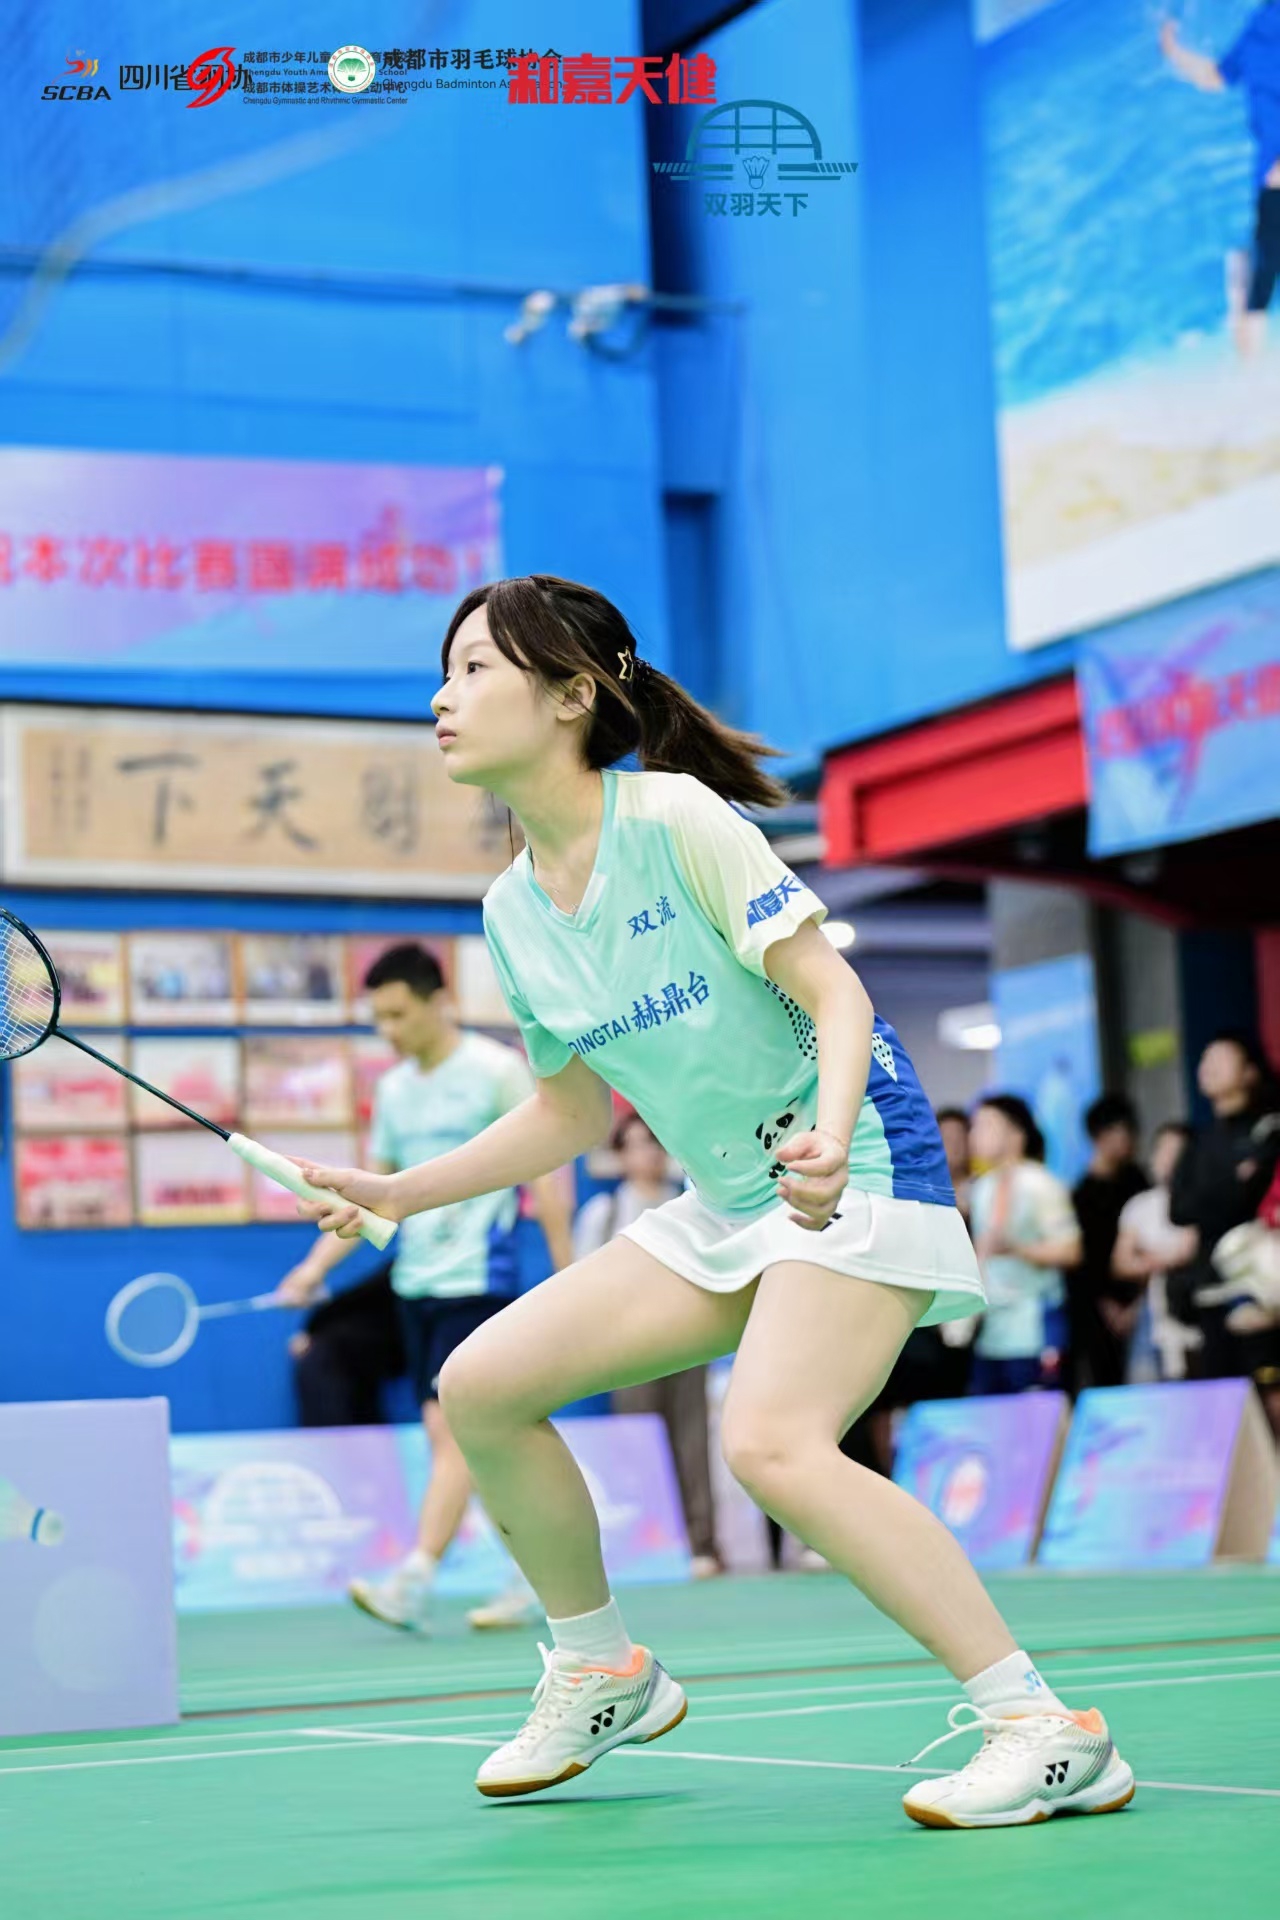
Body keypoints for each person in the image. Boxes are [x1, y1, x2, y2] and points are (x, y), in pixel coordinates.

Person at [293, 574, 1134, 1830]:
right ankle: (601, 1671)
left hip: (858, 1159)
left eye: (474, 670)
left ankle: (1044, 1729)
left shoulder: (674, 818)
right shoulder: (512, 908)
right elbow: (571, 1116)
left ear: (571, 694)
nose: (441, 698)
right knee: (481, 1387)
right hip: (728, 1200)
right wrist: (398, 1192)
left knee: (770, 1441)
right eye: (445, 671)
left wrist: (829, 1137)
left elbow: (834, 993)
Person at [277, 941, 576, 1633]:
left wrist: (567, 1273)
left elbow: (547, 1174)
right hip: (415, 1287)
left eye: (398, 1014)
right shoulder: (394, 1091)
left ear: (440, 1002)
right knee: (475, 1443)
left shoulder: (496, 1072)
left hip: (479, 1280)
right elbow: (369, 1195)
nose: (388, 1030)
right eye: (378, 1018)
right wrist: (314, 1269)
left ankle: (414, 1577)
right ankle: (531, 1575)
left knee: (451, 1431)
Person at [576, 1112, 723, 1577]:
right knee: (636, 1442)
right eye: (637, 1144)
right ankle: (649, 1544)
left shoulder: (691, 1204)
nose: (648, 1154)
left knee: (693, 1442)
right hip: (629, 1348)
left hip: (688, 1341)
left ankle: (702, 1545)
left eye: (655, 1143)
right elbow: (582, 1286)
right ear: (620, 1156)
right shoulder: (603, 1214)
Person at [1160, 6, 1280, 358]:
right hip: (1273, 177)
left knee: (1262, 282)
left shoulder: (1259, 29)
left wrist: (1174, 53)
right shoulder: (1261, 29)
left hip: (1271, 177)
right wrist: (1175, 52)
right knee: (1261, 284)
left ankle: (1246, 280)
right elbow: (1217, 76)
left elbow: (1216, 77)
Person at [1168, 1031, 1280, 1398]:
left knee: (1269, 1389)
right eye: (1205, 1059)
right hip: (1210, 1286)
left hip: (1262, 1288)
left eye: (1221, 1057)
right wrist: (1234, 1181)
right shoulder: (1198, 1141)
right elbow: (1178, 1209)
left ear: (1249, 1071)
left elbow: (1249, 1198)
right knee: (1222, 1396)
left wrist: (1225, 1192)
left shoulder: (1269, 1128)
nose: (1208, 1066)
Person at [968, 1096, 1082, 1397]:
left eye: (987, 1125)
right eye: (975, 1126)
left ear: (1016, 1134)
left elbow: (1071, 1251)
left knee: (1040, 1413)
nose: (975, 1134)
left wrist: (1016, 1248)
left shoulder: (1041, 1184)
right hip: (991, 1331)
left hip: (1035, 1328)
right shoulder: (982, 1188)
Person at [1069, 1095, 1150, 1391]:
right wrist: (1108, 1307)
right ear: (1098, 1137)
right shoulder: (1081, 1195)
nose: (1126, 1139)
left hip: (1141, 1299)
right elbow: (1082, 1263)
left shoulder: (1140, 1182)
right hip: (1096, 1310)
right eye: (1116, 1131)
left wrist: (1136, 1303)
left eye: (1130, 1130)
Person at [1112, 1123, 1200, 1383]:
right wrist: (1164, 1259)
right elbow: (1121, 1263)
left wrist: (1148, 1257)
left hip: (1192, 1305)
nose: (1168, 1159)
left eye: (1177, 1151)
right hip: (1153, 1307)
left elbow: (1188, 1251)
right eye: (1163, 1150)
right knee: (1144, 1384)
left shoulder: (1202, 1201)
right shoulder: (1140, 1205)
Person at [289, 1263, 405, 1426]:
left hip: (374, 1364)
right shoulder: (404, 1271)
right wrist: (312, 1330)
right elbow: (360, 1297)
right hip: (334, 1363)